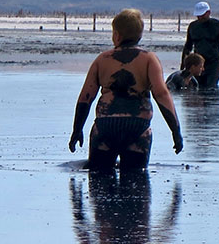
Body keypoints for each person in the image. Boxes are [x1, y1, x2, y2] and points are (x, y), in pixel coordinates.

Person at [69, 9, 183, 169]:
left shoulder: (102, 60)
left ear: (117, 35)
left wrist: (77, 129)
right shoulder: (149, 59)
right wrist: (175, 131)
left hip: (106, 125)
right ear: (140, 35)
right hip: (138, 126)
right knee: (136, 180)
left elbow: (85, 97)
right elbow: (161, 94)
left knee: (99, 181)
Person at [180, 1, 219, 88]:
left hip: (214, 65)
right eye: (198, 15)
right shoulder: (193, 26)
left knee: (210, 88)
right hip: (196, 64)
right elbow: (187, 47)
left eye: (202, 15)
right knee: (196, 88)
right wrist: (183, 67)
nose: (200, 17)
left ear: (208, 12)